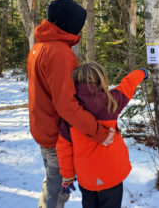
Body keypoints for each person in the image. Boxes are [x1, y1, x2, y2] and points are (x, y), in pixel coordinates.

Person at [27, 0, 114, 208]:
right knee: (56, 193)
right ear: (70, 24)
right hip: (56, 135)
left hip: (43, 129)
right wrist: (99, 133)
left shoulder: (39, 46)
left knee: (51, 184)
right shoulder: (59, 53)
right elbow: (67, 105)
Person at [56, 62, 149, 208]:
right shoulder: (111, 101)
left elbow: (64, 148)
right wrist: (142, 72)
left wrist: (67, 176)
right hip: (112, 173)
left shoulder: (69, 113)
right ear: (101, 80)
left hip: (86, 176)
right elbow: (128, 84)